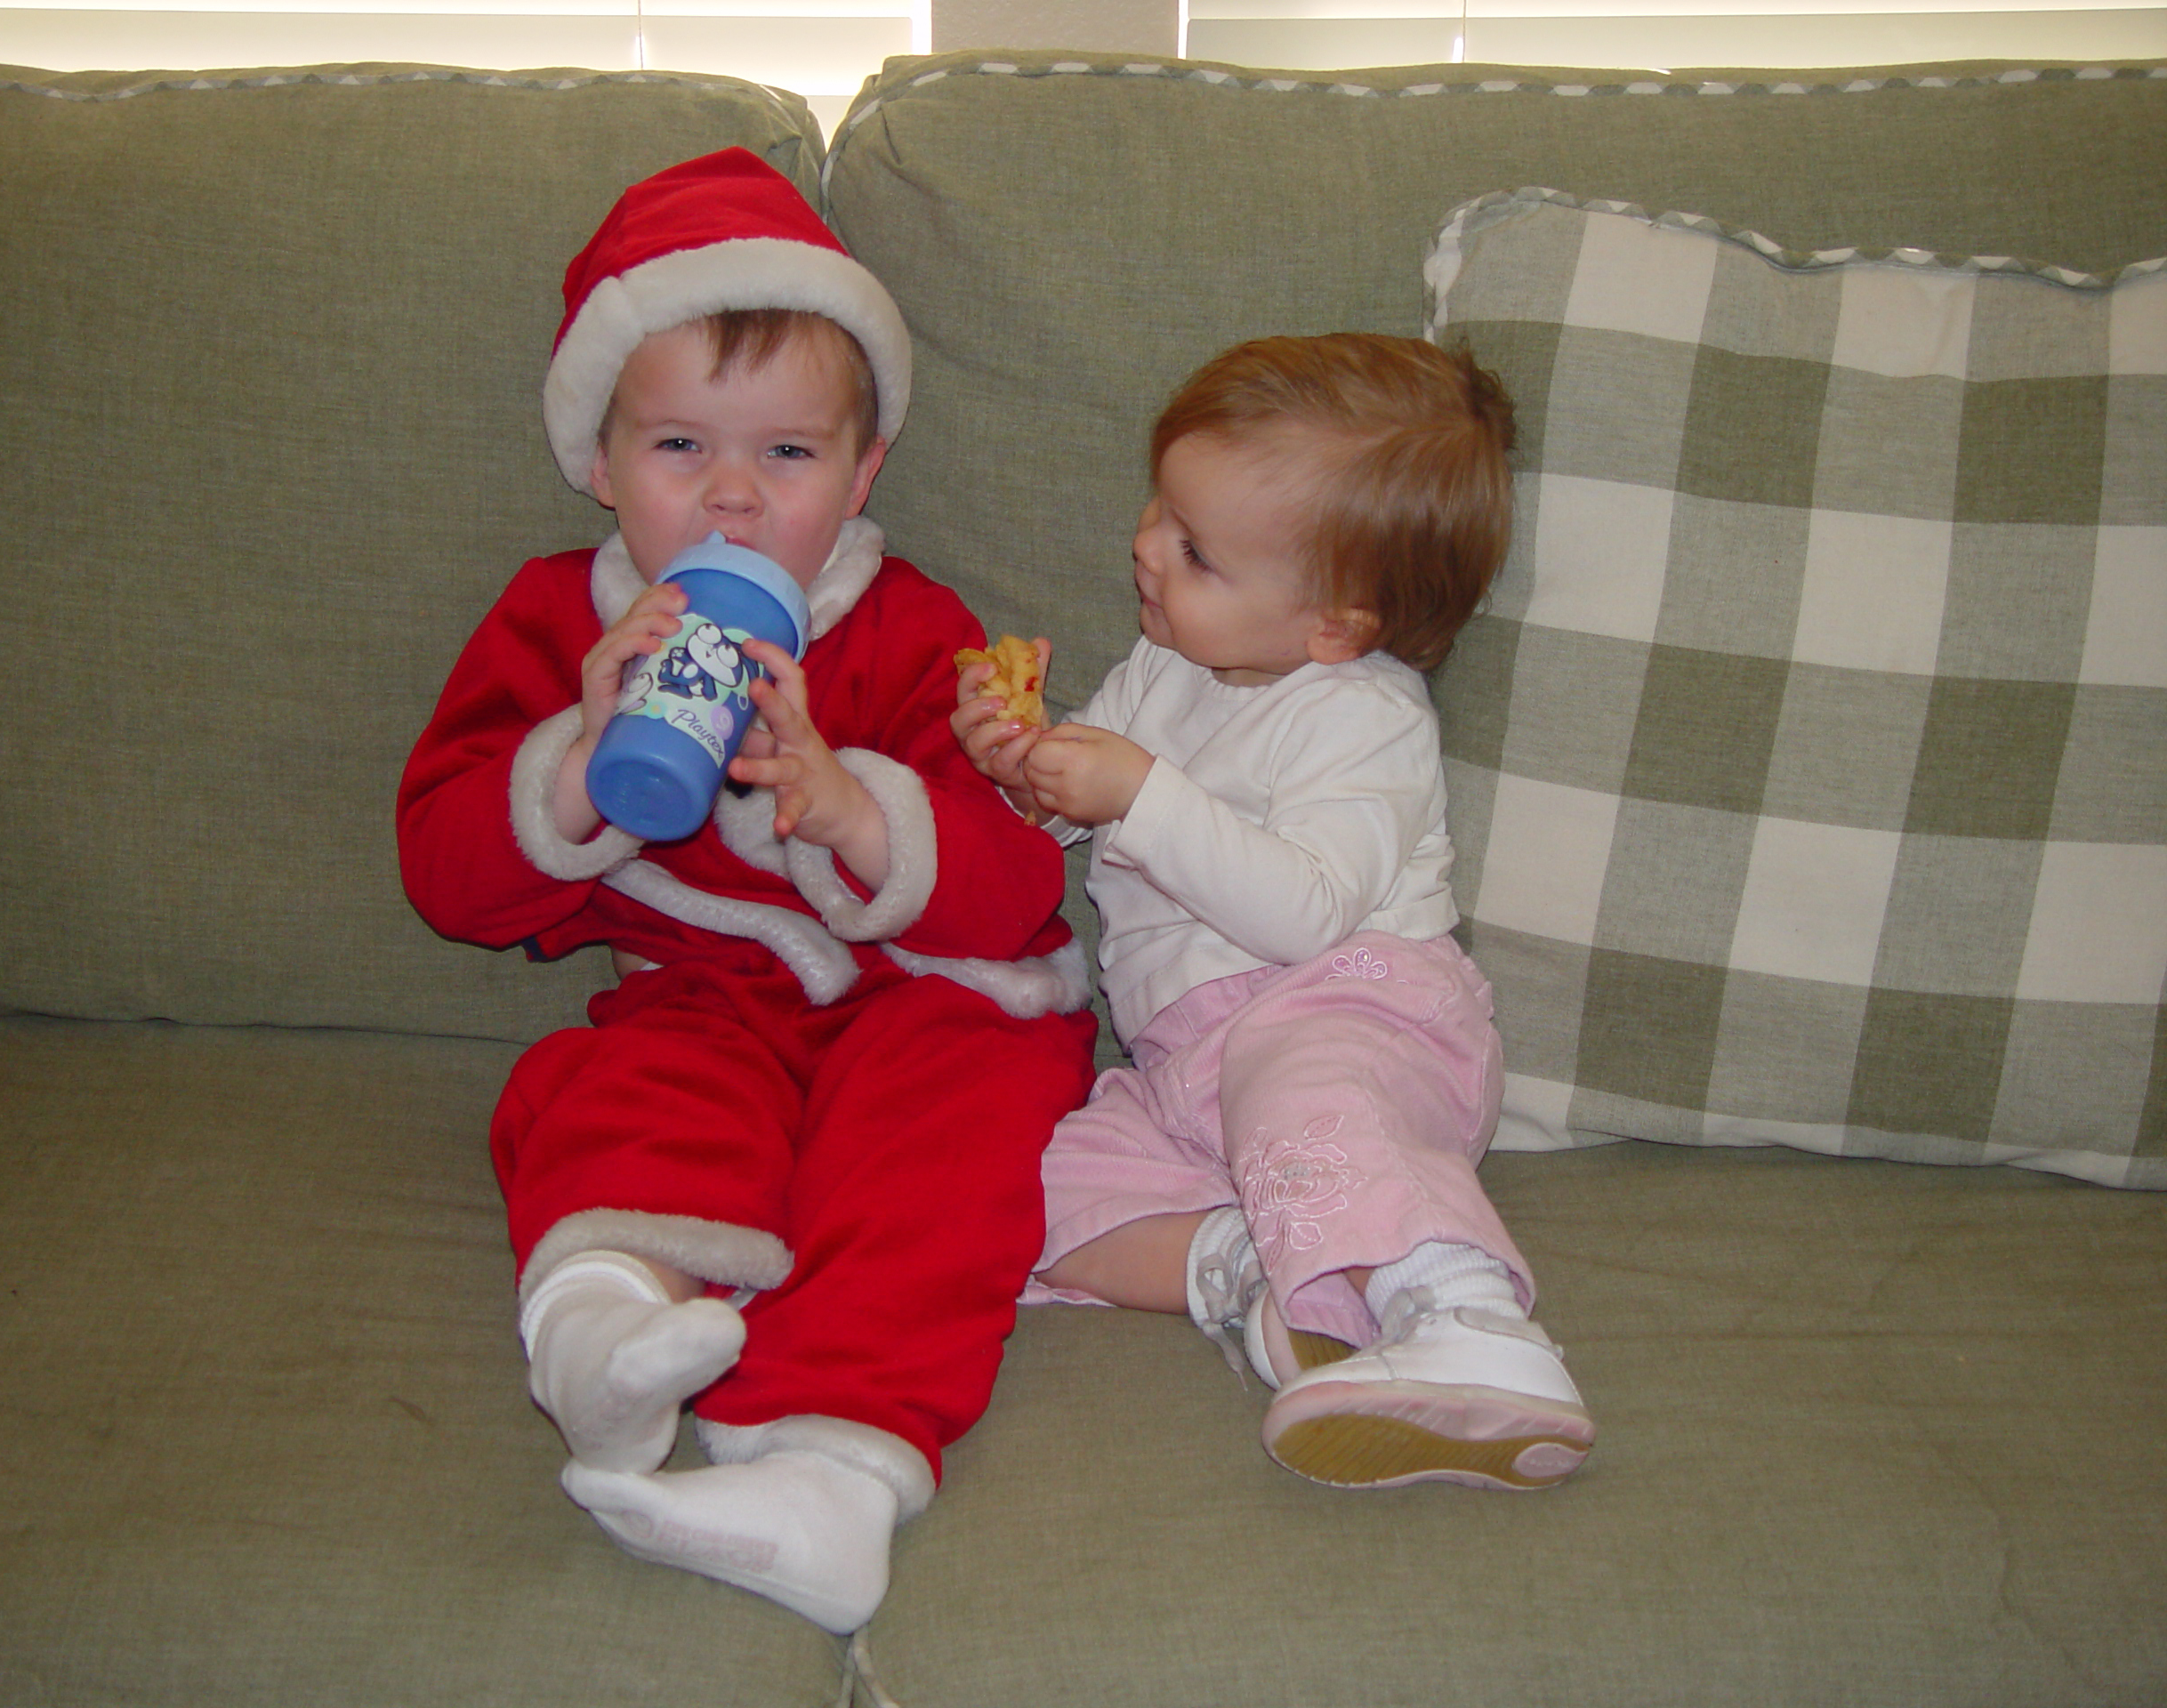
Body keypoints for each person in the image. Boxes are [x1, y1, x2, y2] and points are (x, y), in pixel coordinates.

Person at [399, 148, 1097, 1631]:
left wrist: (853, 807)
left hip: (920, 1006)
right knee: (615, 1086)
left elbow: (1020, 876)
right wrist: (581, 764)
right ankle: (605, 1339)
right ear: (599, 462)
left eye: (786, 457)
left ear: (861, 473)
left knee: (949, 1155)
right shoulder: (550, 621)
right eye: (678, 453)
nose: (730, 499)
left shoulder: (918, 630)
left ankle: (830, 1474)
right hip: (701, 991)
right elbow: (448, 878)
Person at [954, 334, 1593, 1493]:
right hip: (1187, 1064)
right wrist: (1025, 771)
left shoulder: (1363, 716)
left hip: (1353, 1011)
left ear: (1333, 625)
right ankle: (1249, 1271)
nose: (1146, 546)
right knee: (1006, 1188)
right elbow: (1077, 820)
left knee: (1311, 1104)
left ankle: (1475, 1325)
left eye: (1195, 551)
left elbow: (1304, 911)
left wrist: (1138, 793)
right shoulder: (1165, 670)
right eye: (1160, 506)